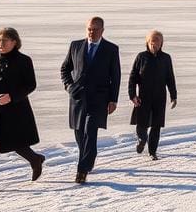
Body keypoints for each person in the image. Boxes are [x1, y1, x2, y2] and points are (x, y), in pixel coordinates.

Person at [0, 28, 45, 194]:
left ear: (14, 42)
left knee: (16, 144)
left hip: (15, 112)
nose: (0, 44)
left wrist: (11, 96)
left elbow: (30, 85)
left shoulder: (24, 60)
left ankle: (35, 159)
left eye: (4, 40)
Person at [60, 16, 121, 184]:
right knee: (79, 134)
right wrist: (69, 86)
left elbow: (115, 76)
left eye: (95, 29)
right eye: (89, 29)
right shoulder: (75, 45)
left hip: (99, 99)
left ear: (102, 30)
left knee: (90, 131)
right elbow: (65, 69)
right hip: (78, 98)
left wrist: (113, 100)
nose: (91, 32)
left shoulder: (111, 49)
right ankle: (89, 157)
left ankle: (82, 170)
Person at [128, 30, 178, 160]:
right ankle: (142, 140)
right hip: (143, 97)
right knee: (142, 123)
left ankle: (152, 151)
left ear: (161, 43)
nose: (154, 44)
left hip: (159, 97)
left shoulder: (166, 58)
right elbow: (133, 78)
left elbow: (170, 78)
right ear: (147, 42)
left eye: (157, 41)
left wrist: (174, 96)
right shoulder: (141, 57)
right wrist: (133, 95)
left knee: (156, 125)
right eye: (152, 41)